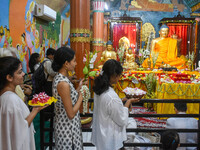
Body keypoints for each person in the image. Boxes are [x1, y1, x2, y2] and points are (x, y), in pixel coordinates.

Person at [0, 56, 47, 150]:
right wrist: (35, 110)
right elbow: (20, 129)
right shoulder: (11, 100)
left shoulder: (7, 96)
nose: (23, 74)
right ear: (9, 77)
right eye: (19, 72)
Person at [92, 59, 140, 150]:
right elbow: (122, 120)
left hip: (102, 133)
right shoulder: (111, 96)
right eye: (119, 76)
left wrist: (121, 101)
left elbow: (106, 106)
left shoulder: (99, 89)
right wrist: (128, 103)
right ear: (114, 76)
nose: (119, 78)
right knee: (131, 122)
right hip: (110, 137)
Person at [52, 47, 85, 150]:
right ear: (66, 63)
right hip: (67, 130)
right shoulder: (63, 83)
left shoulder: (61, 78)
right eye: (74, 61)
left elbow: (69, 98)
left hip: (68, 127)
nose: (76, 64)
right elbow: (70, 114)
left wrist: (79, 87)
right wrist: (81, 96)